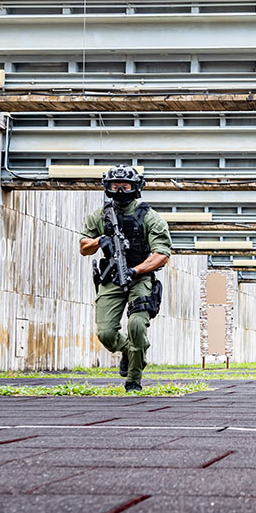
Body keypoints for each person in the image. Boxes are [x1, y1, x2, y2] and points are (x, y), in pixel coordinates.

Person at [79, 165, 172, 392]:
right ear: (107, 187)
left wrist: (135, 271)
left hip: (139, 277)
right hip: (111, 277)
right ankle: (130, 350)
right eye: (115, 186)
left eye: (125, 186)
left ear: (135, 187)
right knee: (106, 334)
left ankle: (133, 380)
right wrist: (100, 241)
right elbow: (84, 247)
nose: (119, 191)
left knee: (137, 325)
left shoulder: (150, 217)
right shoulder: (99, 216)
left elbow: (162, 255)